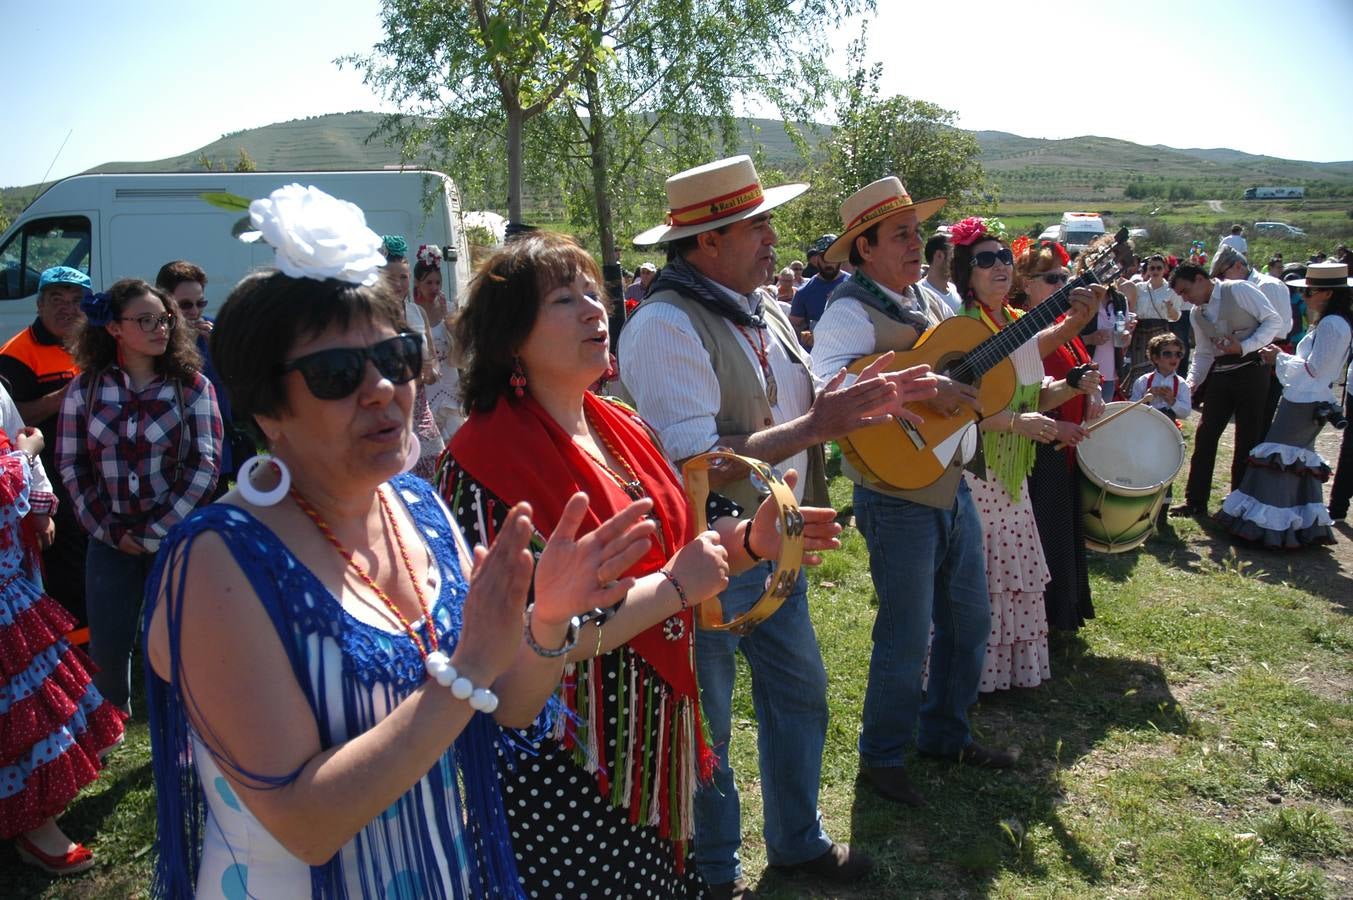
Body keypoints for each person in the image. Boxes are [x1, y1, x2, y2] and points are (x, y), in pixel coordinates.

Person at [142, 184, 656, 897]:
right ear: (266, 408)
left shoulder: (416, 504)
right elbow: (305, 823)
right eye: (335, 374)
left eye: (397, 356)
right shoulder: (221, 561)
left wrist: (544, 624)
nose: (383, 388)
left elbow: (505, 706)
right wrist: (471, 662)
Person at [440, 231, 845, 897]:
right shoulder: (482, 461)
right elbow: (504, 647)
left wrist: (748, 543)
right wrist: (672, 589)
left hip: (653, 741)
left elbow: (680, 551)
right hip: (567, 762)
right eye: (564, 300)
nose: (594, 311)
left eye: (593, 295)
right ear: (511, 338)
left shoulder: (619, 424)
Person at [620, 155, 936, 897]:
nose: (772, 237)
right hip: (708, 559)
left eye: (765, 220)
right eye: (754, 224)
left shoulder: (751, 306)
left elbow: (798, 401)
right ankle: (712, 871)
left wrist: (870, 395)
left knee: (800, 697)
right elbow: (693, 466)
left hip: (772, 547)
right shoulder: (666, 324)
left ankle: (795, 843)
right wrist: (817, 424)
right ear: (705, 243)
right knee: (710, 728)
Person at [809, 178, 1019, 811]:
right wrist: (922, 389)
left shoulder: (924, 299)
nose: (914, 244)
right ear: (865, 247)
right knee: (905, 634)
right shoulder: (849, 309)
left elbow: (953, 362)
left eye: (913, 232)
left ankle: (945, 734)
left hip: (948, 480)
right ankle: (881, 756)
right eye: (899, 234)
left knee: (968, 619)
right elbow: (829, 388)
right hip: (894, 491)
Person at [56, 280, 221, 717]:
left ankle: (190, 734)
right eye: (145, 320)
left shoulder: (193, 388)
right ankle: (112, 727)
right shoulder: (85, 390)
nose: (160, 328)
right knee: (108, 650)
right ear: (113, 328)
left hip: (176, 541)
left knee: (183, 647)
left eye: (164, 319)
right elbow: (72, 466)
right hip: (108, 542)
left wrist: (154, 533)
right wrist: (108, 531)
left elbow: (203, 467)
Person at [950, 217, 1099, 693]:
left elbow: (1031, 395)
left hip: (1014, 472)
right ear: (965, 273)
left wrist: (1070, 384)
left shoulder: (1014, 322)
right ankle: (970, 675)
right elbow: (959, 411)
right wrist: (1016, 423)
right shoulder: (960, 329)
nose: (998, 267)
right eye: (985, 260)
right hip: (978, 467)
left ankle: (1004, 674)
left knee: (1010, 575)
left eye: (1004, 258)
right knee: (983, 574)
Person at [0, 418, 125, 876]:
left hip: (10, 586)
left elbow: (28, 494)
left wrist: (36, 499)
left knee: (35, 697)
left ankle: (39, 815)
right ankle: (36, 827)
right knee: (19, 710)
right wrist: (27, 452)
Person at [1216, 261, 1352, 547]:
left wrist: (1278, 357)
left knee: (1280, 459)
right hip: (1304, 396)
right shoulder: (1330, 323)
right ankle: (1294, 526)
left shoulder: (1332, 325)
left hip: (1305, 399)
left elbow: (1316, 370)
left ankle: (1270, 528)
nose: (1303, 297)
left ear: (1326, 293)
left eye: (1308, 291)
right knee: (1292, 462)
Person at [1011, 237, 1103, 634]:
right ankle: (1043, 624)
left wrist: (1093, 391)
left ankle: (1064, 616)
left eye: (1067, 278)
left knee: (1062, 534)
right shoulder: (1022, 330)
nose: (1063, 287)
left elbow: (1080, 370)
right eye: (1053, 279)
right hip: (1036, 449)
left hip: (1065, 448)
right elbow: (1024, 395)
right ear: (1026, 282)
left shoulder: (1064, 327)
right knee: (1046, 540)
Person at [0, 267, 87, 628]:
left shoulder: (92, 344)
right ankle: (73, 645)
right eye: (57, 299)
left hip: (91, 469)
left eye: (76, 300)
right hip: (47, 475)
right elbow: (14, 420)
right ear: (39, 304)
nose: (67, 308)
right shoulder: (16, 353)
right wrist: (62, 398)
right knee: (64, 567)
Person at [1169, 263, 1283, 516]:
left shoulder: (1239, 289)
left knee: (1247, 437)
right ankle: (1195, 500)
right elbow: (1203, 353)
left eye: (1186, 291)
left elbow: (1274, 322)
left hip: (1252, 370)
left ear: (1200, 279)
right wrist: (1191, 382)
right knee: (1206, 434)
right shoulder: (1197, 314)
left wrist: (1244, 347)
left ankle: (1239, 502)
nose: (1186, 299)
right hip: (1221, 374)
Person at [155, 261, 247, 496]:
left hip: (215, 451)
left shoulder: (215, 331)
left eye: (200, 303)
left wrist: (218, 350)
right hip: (170, 456)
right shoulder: (155, 335)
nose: (195, 311)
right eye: (185, 305)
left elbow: (237, 383)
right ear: (165, 302)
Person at [380, 235, 446, 478]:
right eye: (390, 278)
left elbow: (431, 354)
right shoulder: (374, 317)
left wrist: (433, 369)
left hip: (421, 405)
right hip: (391, 407)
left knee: (435, 466)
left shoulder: (416, 312)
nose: (398, 284)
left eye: (403, 277)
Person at [1211, 244, 1293, 432]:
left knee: (1259, 421)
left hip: (1267, 357)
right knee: (1245, 421)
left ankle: (1255, 460)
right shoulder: (1231, 291)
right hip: (1244, 358)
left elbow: (1279, 328)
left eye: (1222, 275)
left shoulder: (1268, 285)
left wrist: (1245, 344)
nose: (1221, 281)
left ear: (1239, 266)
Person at [411, 243, 465, 439]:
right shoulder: (412, 312)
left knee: (455, 439)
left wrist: (449, 321)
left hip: (451, 386)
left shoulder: (449, 309)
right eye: (429, 283)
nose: (434, 288)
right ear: (416, 283)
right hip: (427, 387)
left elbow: (462, 353)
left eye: (437, 283)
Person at [1123, 253, 1182, 387]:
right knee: (1138, 366)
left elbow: (1176, 317)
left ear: (1165, 269)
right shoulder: (1139, 288)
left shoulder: (1171, 290)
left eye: (1159, 268)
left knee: (1161, 364)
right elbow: (1132, 309)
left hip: (1161, 331)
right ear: (1148, 269)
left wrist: (1170, 308)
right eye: (1152, 268)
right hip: (1141, 330)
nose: (1155, 271)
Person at [788, 234, 847, 343]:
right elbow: (792, 331)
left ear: (839, 258)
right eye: (824, 257)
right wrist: (805, 338)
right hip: (817, 356)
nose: (828, 262)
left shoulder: (855, 286)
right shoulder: (804, 292)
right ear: (816, 259)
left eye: (833, 256)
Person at [916, 233, 963, 313]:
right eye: (954, 254)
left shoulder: (954, 289)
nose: (959, 260)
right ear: (939, 255)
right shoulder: (919, 294)